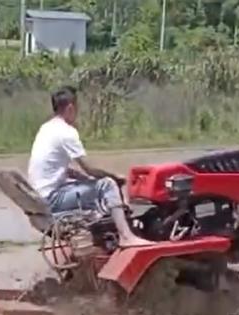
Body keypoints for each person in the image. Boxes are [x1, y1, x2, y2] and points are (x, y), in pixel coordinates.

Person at [28, 86, 152, 248]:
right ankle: (126, 236)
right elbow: (90, 168)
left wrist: (86, 179)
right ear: (71, 108)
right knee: (107, 185)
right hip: (53, 198)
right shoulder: (66, 132)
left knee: (93, 185)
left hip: (42, 194)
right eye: (77, 108)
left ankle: (104, 234)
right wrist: (116, 178)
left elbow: (60, 170)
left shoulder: (46, 128)